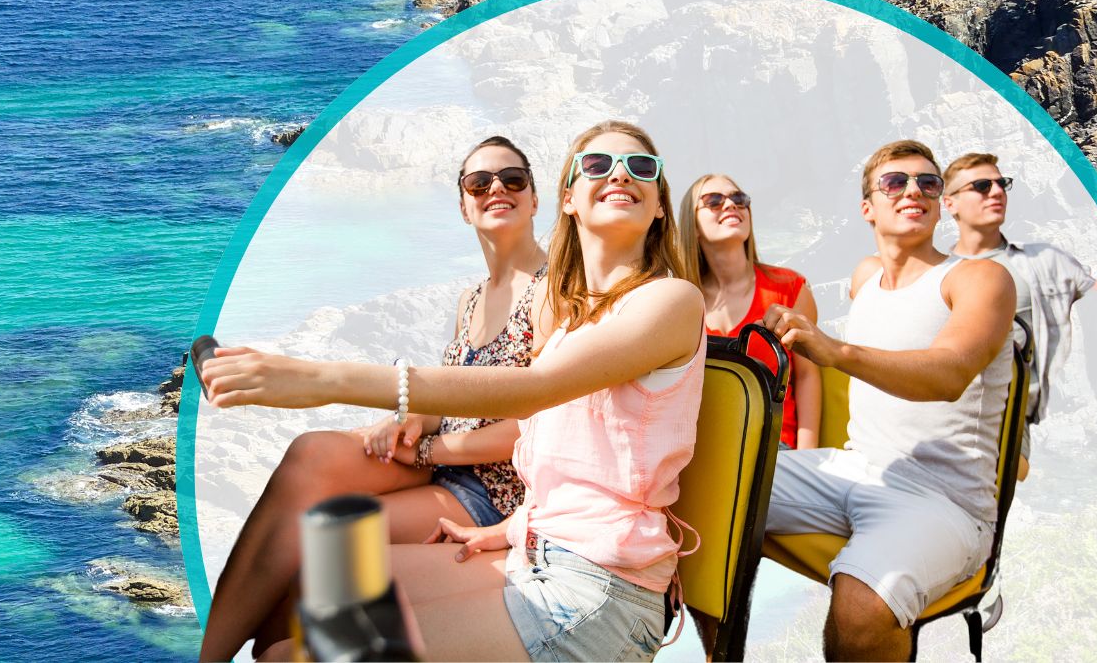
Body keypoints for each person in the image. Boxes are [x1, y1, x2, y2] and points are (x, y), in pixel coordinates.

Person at [205, 120, 706, 662]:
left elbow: (532, 392)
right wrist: (513, 526)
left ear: (659, 205)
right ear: (569, 199)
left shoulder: (670, 301)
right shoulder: (574, 324)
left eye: (641, 167)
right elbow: (576, 461)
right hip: (535, 551)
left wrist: (317, 379)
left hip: (596, 592)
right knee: (321, 579)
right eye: (597, 165)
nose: (620, 175)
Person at [198, 135, 550, 662]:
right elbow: (451, 389)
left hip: (491, 493)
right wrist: (409, 419)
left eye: (512, 179)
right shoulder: (471, 299)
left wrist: (427, 452)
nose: (496, 189)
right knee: (312, 454)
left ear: (534, 197)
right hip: (440, 468)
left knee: (318, 545)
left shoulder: (552, 291)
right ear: (462, 205)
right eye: (479, 182)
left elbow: (540, 428)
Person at [761, 139, 1017, 661]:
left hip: (943, 501)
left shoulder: (978, 278)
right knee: (690, 485)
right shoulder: (864, 279)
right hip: (856, 469)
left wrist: (837, 351)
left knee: (861, 612)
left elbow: (949, 374)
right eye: (895, 182)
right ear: (867, 208)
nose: (913, 192)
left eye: (928, 183)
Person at [940, 151, 1097, 479]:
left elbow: (1095, 289)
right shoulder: (935, 272)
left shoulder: (1044, 261)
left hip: (999, 431)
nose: (996, 192)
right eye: (981, 185)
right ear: (950, 203)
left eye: (1001, 183)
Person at [679, 173, 822, 449]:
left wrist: (808, 457)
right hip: (702, 453)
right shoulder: (681, 302)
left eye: (739, 198)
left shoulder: (791, 288)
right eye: (714, 201)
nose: (731, 205)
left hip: (775, 452)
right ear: (692, 224)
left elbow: (806, 376)